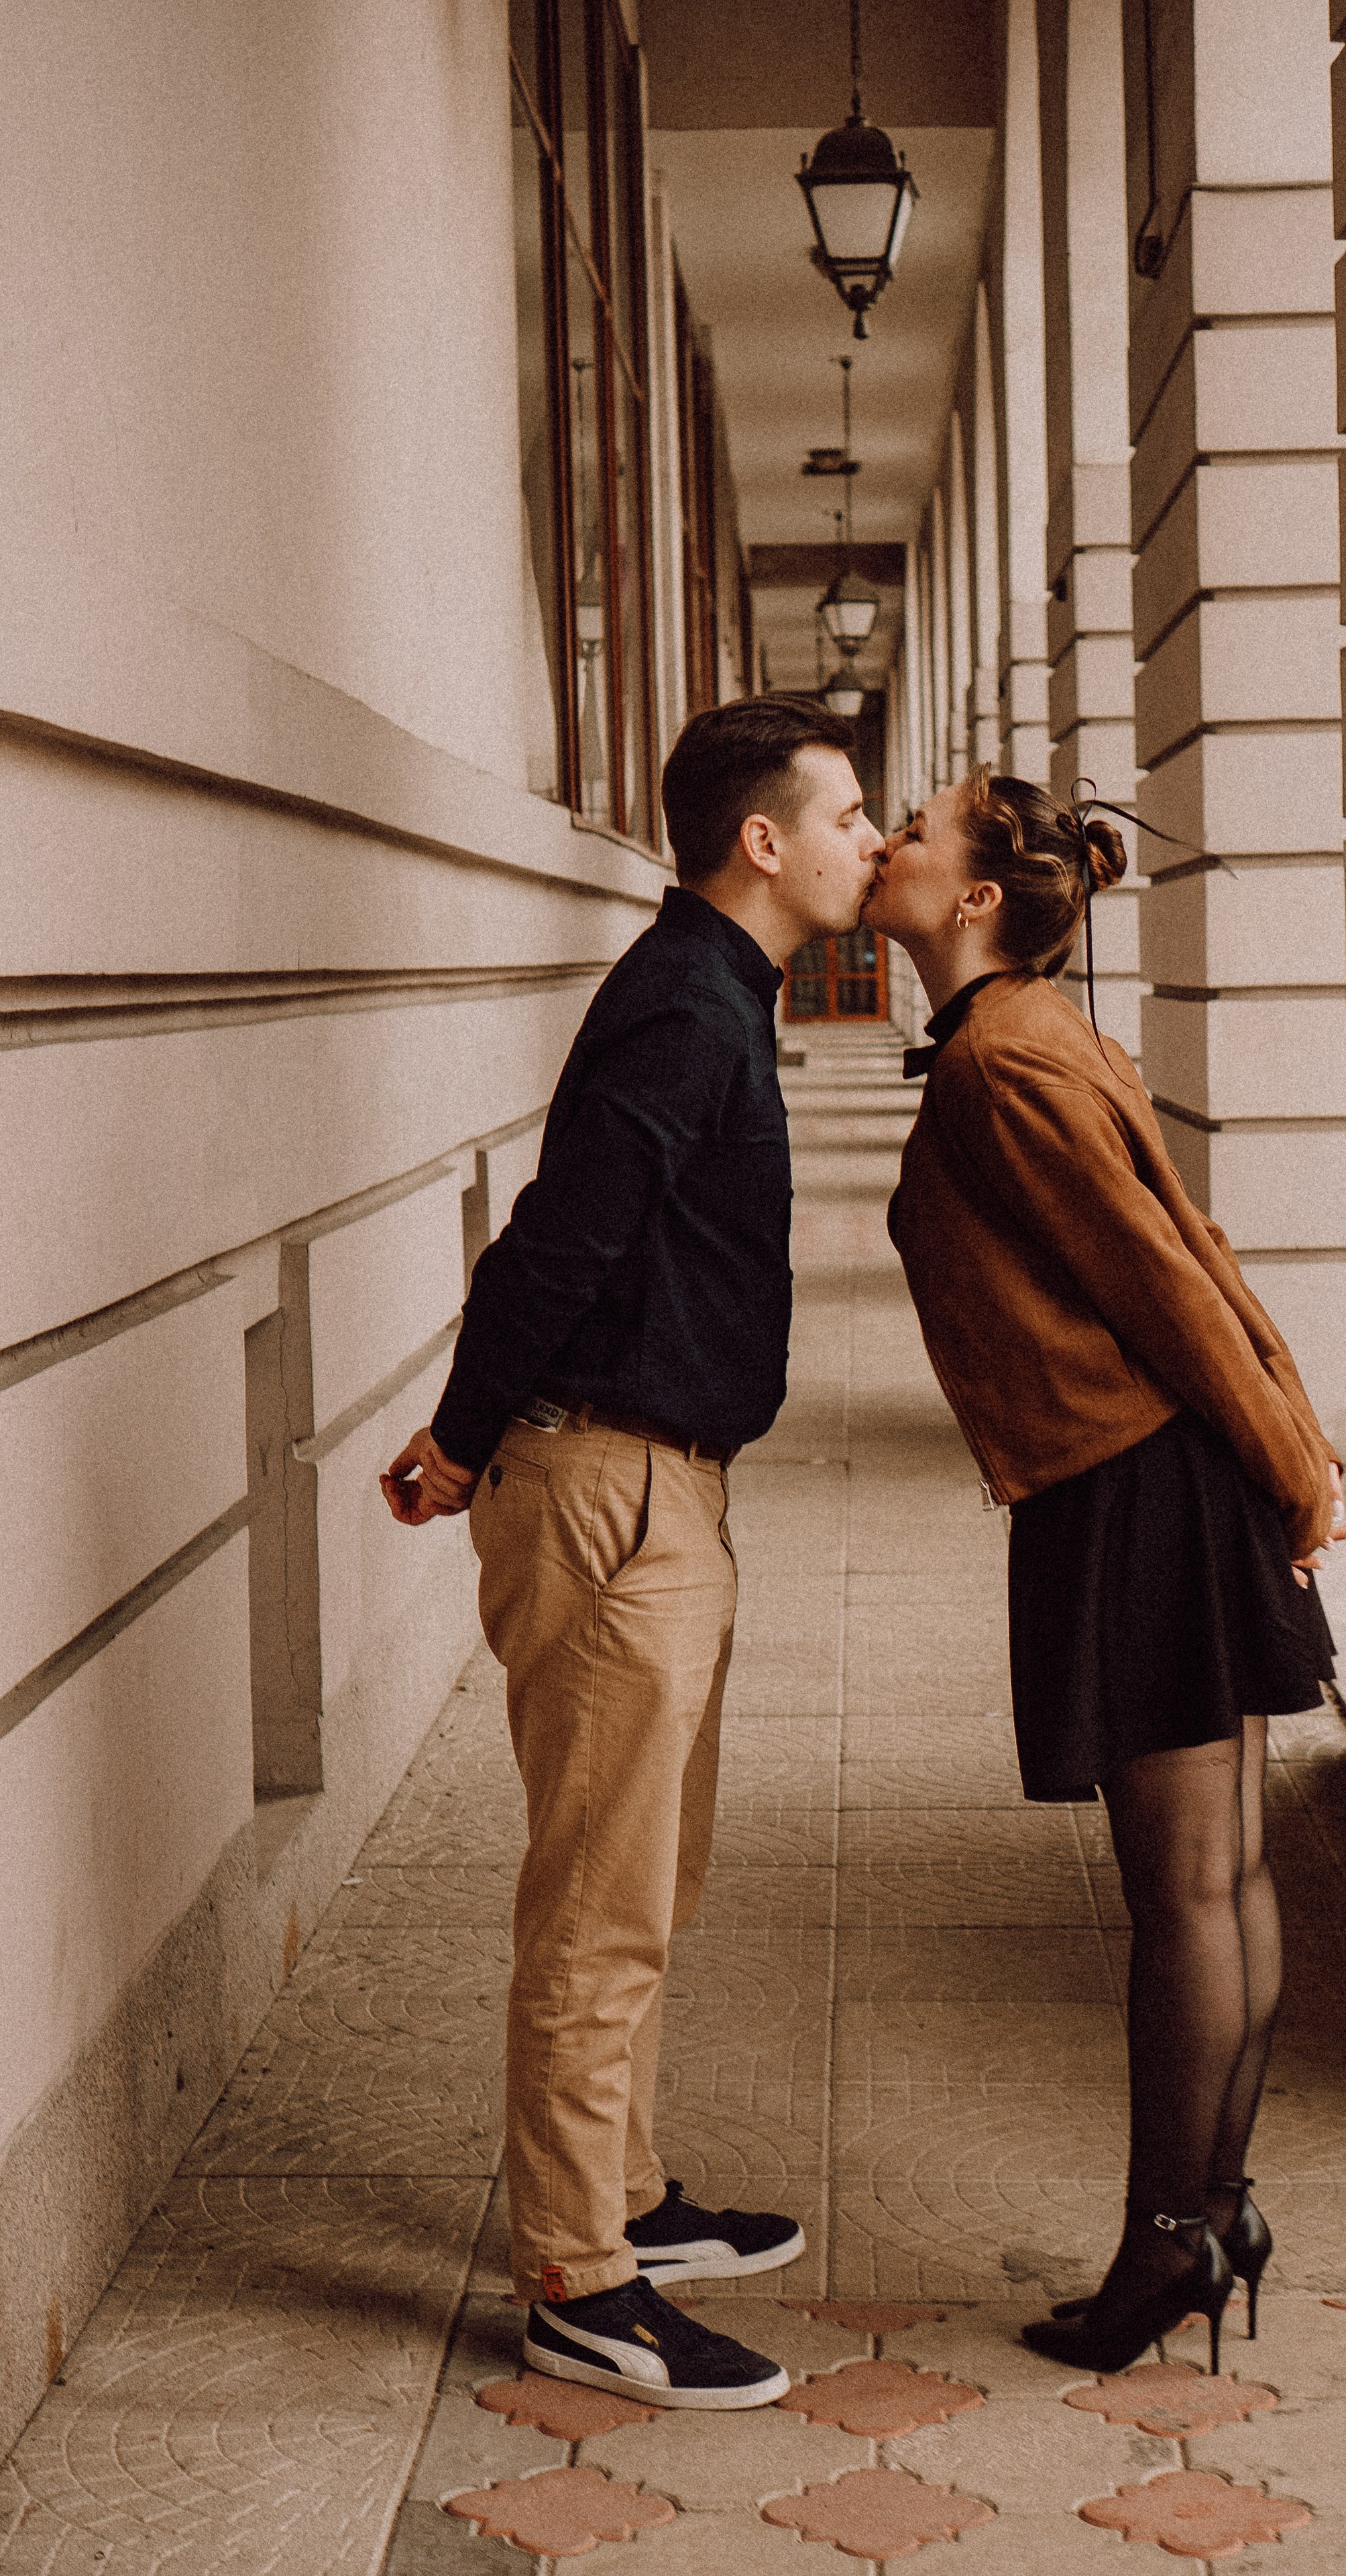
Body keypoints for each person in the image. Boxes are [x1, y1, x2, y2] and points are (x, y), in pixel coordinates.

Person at [382, 697, 883, 2409]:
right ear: (764, 840)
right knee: (599, 1910)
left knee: (645, 1886)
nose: (869, 842)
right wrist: (462, 1440)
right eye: (847, 815)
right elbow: (560, 1237)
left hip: (659, 1485)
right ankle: (577, 2279)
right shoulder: (686, 1005)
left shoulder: (709, 990)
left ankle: (629, 2202)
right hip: (610, 1490)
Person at [865, 770, 1346, 2375]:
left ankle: (1170, 2243)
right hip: (1153, 1475)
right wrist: (1288, 1445)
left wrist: (1293, 1468)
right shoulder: (1022, 1040)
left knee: (1178, 1895)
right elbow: (1192, 1250)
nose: (887, 844)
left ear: (974, 900)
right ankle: (1211, 2211)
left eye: (915, 835)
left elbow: (1166, 1283)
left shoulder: (999, 1064)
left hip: (1136, 1486)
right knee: (1220, 1875)